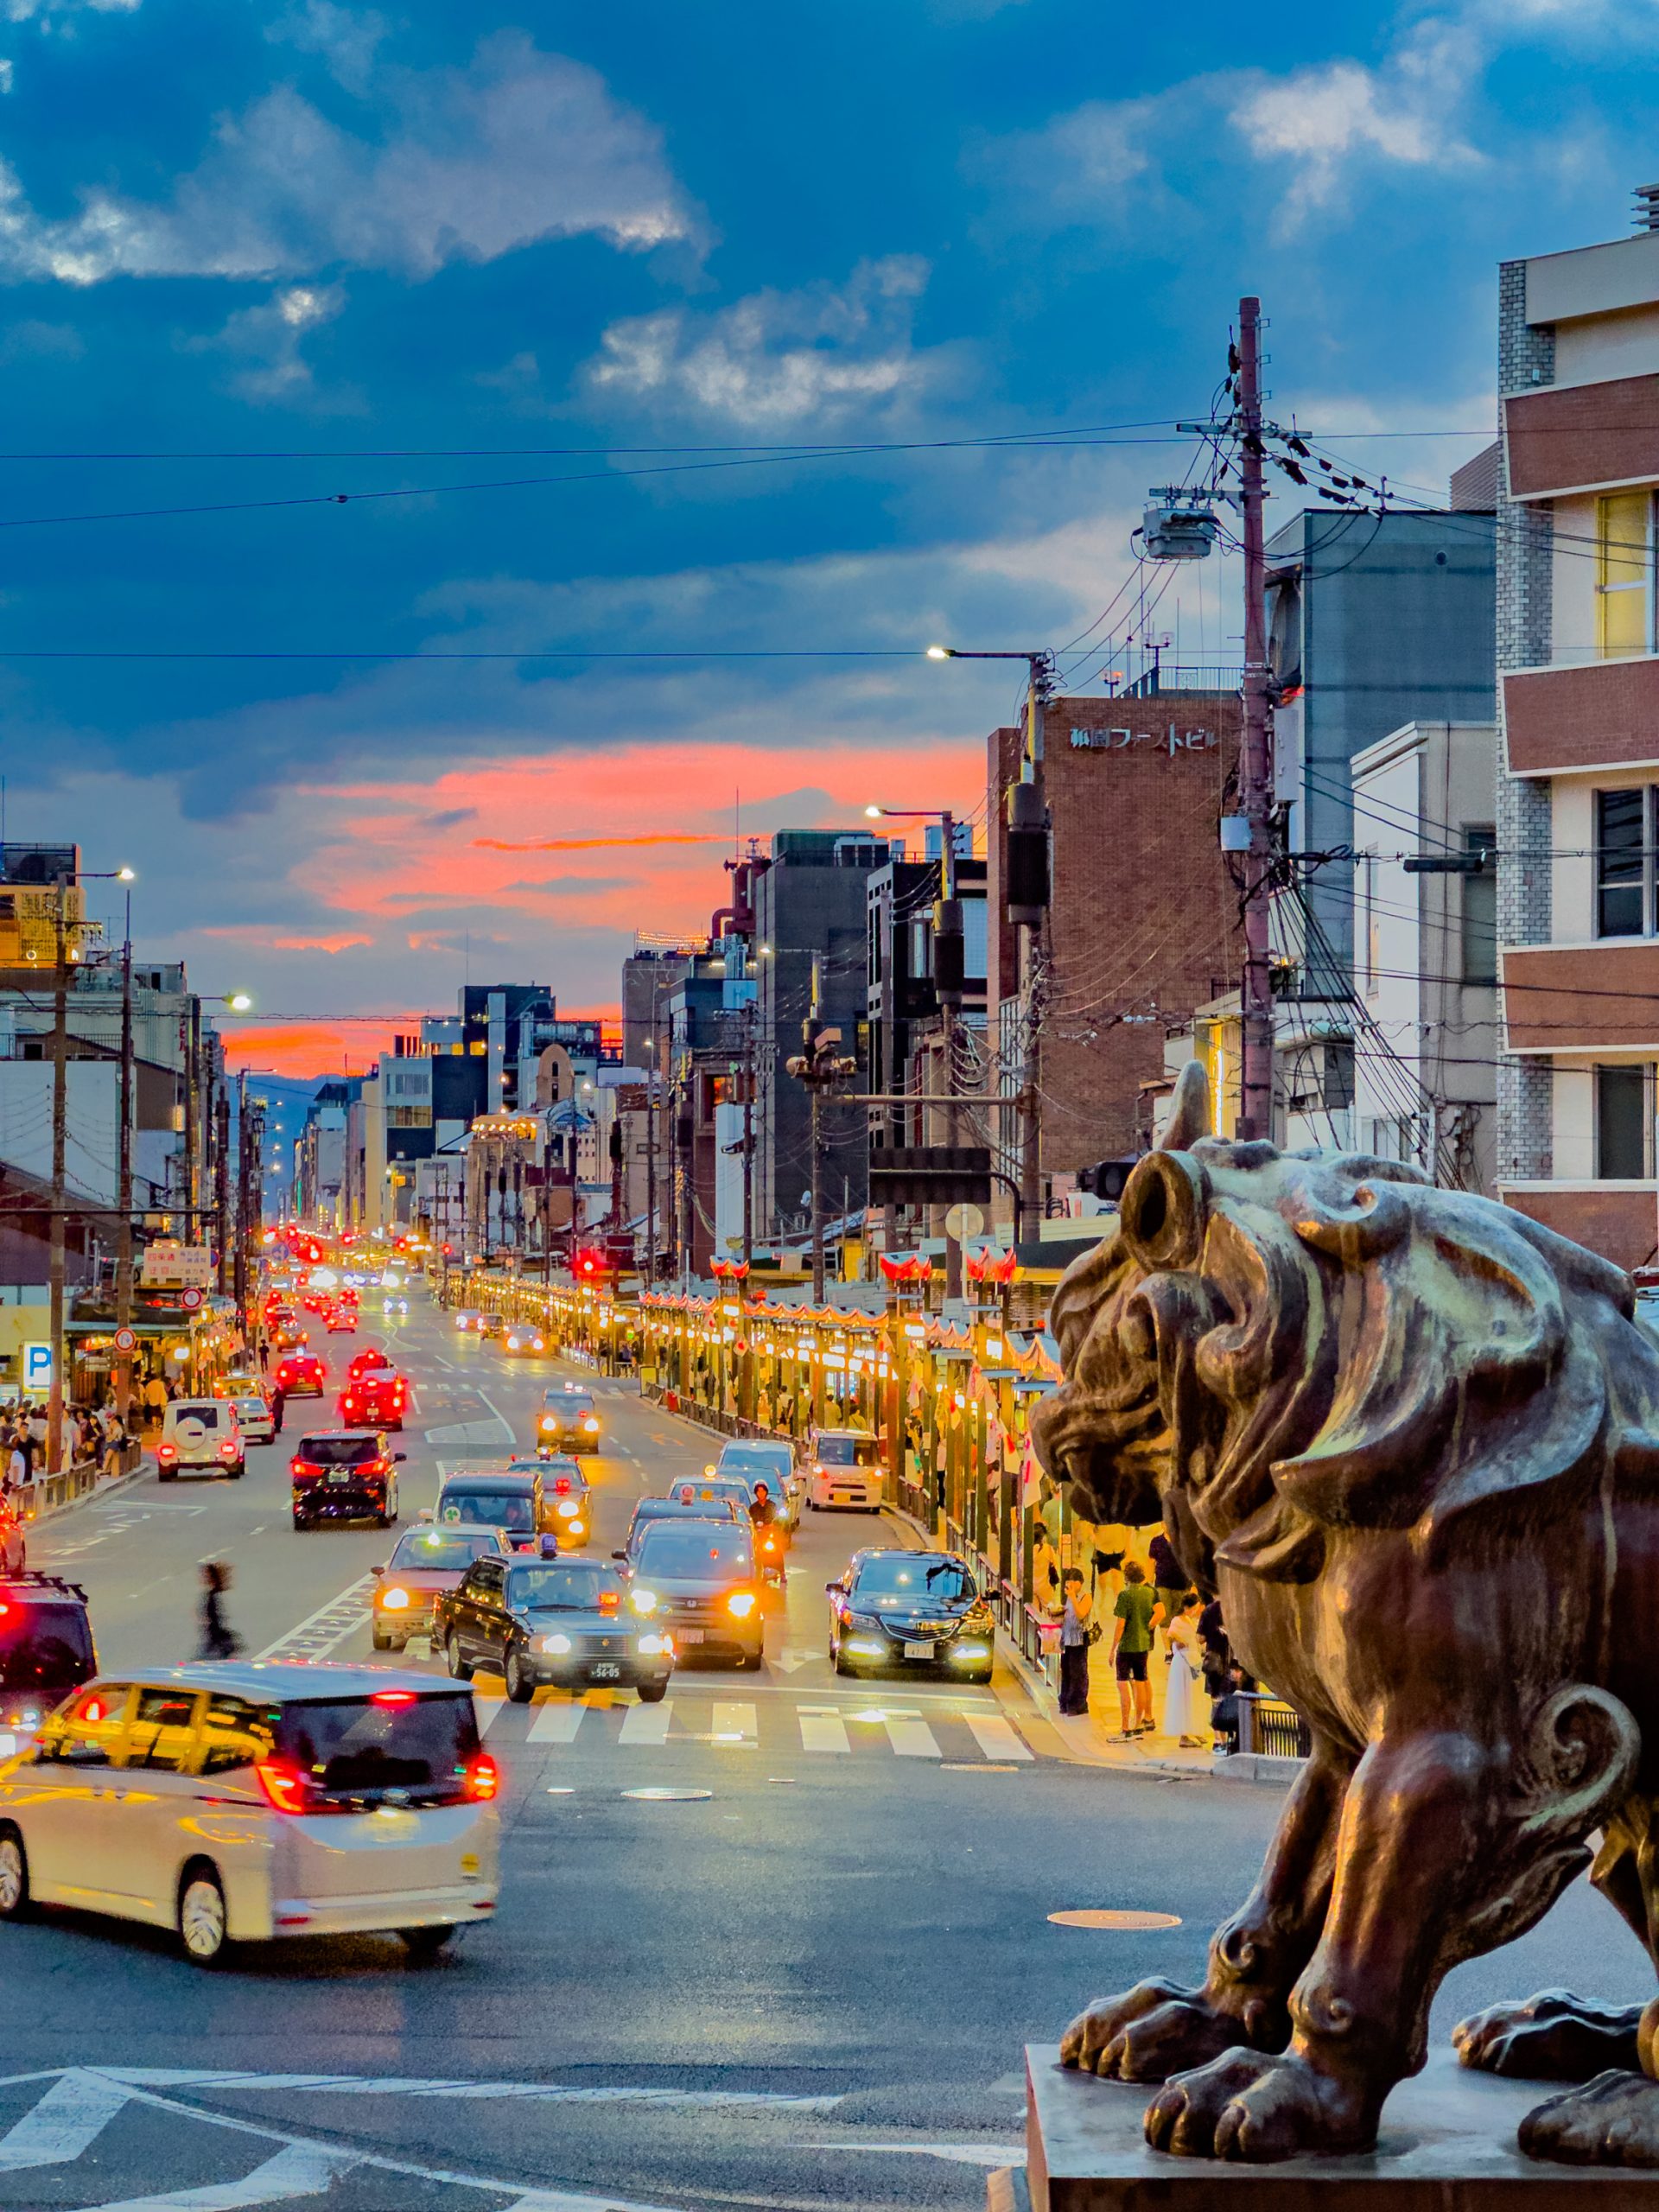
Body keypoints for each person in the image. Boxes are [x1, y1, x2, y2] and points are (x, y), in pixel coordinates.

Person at [1110, 1560, 1159, 1738]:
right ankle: (1139, 1721)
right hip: (1143, 1644)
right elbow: (1159, 1612)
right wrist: (1150, 1626)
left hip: (1127, 1646)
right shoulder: (1150, 1593)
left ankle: (1125, 1726)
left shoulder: (1125, 1595)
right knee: (1141, 1682)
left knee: (1123, 1684)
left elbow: (1120, 1625)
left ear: (1127, 1577)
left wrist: (1112, 1648)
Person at [1162, 1591, 1206, 1745]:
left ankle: (1195, 1729)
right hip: (1184, 1661)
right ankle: (1184, 1734)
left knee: (1194, 1696)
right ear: (1187, 1607)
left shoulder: (1189, 1620)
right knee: (1184, 1697)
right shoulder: (1177, 1620)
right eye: (1193, 1608)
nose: (1195, 1611)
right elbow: (1171, 1634)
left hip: (1193, 1661)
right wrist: (1182, 1642)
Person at [1057, 1566, 1094, 1716]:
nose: (1070, 1584)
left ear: (1080, 1582)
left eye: (1073, 1581)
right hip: (1067, 1638)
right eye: (1068, 1580)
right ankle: (1064, 1701)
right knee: (1066, 1670)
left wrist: (1072, 1596)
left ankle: (1078, 1703)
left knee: (1078, 1671)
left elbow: (1080, 1614)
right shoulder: (1068, 1596)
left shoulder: (1086, 1596)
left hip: (1079, 1639)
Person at [1148, 1529, 1190, 1647]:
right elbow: (1151, 1562)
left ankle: (1176, 1647)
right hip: (1162, 1584)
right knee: (1164, 1618)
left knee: (1179, 1617)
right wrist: (1149, 1580)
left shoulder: (1183, 1540)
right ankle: (1168, 1650)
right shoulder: (1156, 1541)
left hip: (1182, 1585)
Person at [197, 1561, 243, 1661]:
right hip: (215, 1640)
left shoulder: (213, 1596)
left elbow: (216, 1620)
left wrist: (217, 1641)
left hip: (216, 1641)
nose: (202, 1577)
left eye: (205, 1575)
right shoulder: (212, 1594)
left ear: (211, 1577)